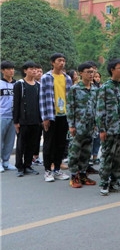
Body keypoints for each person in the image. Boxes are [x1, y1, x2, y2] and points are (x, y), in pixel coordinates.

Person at [96, 59, 120, 195]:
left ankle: (116, 182)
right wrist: (102, 129)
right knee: (107, 156)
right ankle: (104, 183)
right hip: (110, 129)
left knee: (119, 156)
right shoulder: (105, 87)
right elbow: (100, 110)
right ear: (112, 70)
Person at [39, 53, 71, 182]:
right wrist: (44, 117)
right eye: (59, 61)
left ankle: (57, 169)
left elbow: (69, 98)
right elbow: (42, 98)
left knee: (61, 144)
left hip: (64, 115)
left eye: (63, 61)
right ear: (53, 62)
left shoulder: (67, 78)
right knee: (49, 144)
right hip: (51, 115)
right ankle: (48, 171)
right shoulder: (46, 77)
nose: (62, 63)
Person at [66, 62, 97, 188]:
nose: (91, 74)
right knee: (75, 151)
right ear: (81, 73)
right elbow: (70, 108)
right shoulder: (75, 89)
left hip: (90, 126)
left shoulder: (95, 89)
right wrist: (71, 125)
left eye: (92, 72)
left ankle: (83, 174)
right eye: (88, 72)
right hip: (78, 125)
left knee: (86, 151)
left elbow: (96, 108)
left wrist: (96, 124)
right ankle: (74, 175)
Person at [13, 61, 42, 177]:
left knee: (32, 144)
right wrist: (16, 121)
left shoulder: (38, 85)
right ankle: (20, 167)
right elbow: (16, 104)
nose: (34, 71)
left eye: (35, 69)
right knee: (21, 145)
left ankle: (28, 165)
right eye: (31, 69)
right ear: (25, 71)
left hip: (35, 120)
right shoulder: (19, 84)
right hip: (23, 120)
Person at [0, 60, 17, 173]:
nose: (11, 71)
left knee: (10, 141)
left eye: (12, 69)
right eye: (8, 69)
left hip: (13, 116)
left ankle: (6, 161)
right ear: (2, 71)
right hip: (1, 115)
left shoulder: (17, 84)